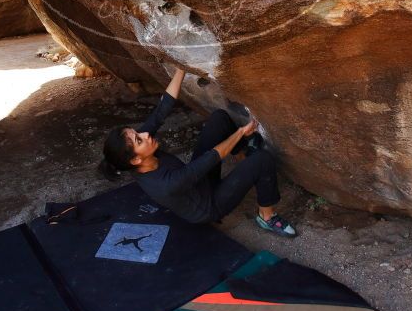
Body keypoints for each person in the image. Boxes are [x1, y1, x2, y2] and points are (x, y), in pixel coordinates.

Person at [102, 67, 296, 237]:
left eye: (138, 133)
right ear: (136, 160)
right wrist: (240, 133)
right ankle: (267, 216)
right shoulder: (165, 185)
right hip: (209, 206)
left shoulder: (141, 151)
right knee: (262, 160)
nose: (145, 133)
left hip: (197, 183)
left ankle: (242, 158)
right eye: (139, 139)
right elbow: (212, 157)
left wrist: (181, 68)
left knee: (219, 119)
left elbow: (162, 109)